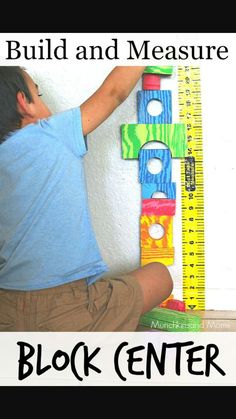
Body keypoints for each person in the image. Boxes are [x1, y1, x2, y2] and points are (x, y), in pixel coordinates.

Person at [0, 66, 173, 331]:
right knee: (160, 276)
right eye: (39, 92)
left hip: (6, 309)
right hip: (69, 308)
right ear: (24, 103)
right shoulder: (52, 132)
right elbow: (113, 92)